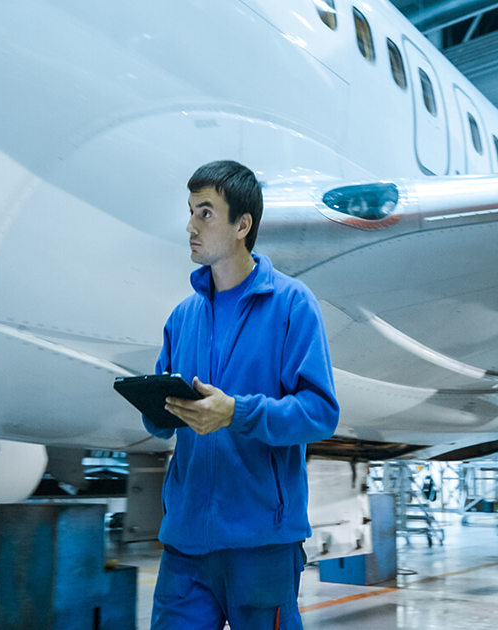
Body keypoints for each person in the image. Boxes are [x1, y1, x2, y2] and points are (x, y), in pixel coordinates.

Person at [144, 160, 339, 630]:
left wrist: (236, 412)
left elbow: (319, 413)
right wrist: (157, 407)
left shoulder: (292, 305)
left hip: (261, 545)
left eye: (205, 213)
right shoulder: (182, 318)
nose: (191, 226)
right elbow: (158, 422)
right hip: (185, 547)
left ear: (242, 225)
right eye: (190, 211)